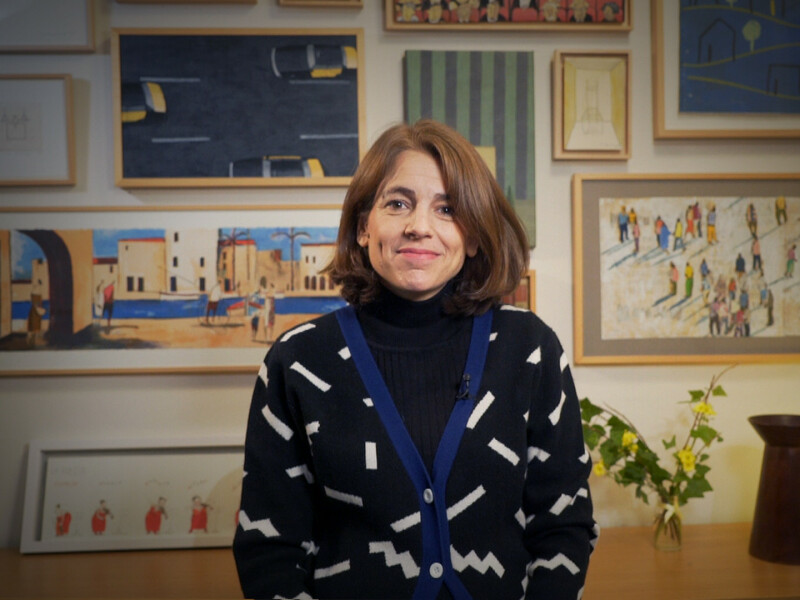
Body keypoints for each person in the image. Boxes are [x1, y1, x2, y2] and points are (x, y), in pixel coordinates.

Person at [233, 120, 597, 600]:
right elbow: (268, 550)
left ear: (473, 237)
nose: (419, 226)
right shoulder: (297, 360)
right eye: (397, 204)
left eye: (447, 209)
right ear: (364, 227)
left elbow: (564, 524)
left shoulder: (528, 348)